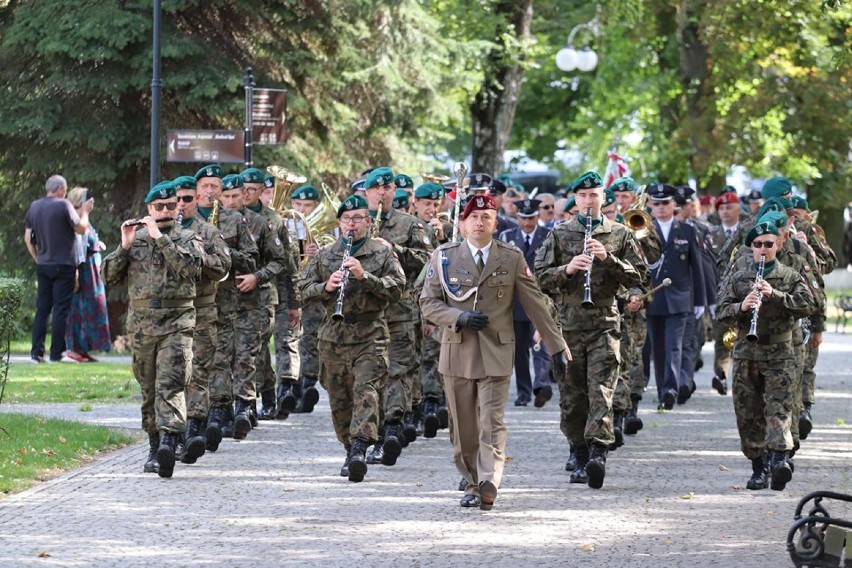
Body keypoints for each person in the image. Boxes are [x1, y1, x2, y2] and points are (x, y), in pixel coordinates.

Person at [421, 193, 569, 510]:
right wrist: (458, 317)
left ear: (495, 223)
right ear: (462, 224)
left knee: (492, 422)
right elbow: (428, 303)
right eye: (473, 217)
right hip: (457, 352)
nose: (479, 222)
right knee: (463, 431)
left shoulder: (510, 257)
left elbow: (536, 305)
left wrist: (557, 348)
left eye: (486, 217)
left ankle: (488, 481)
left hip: (495, 353)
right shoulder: (443, 257)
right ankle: (472, 481)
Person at [534, 171, 644, 490]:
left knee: (601, 390)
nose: (588, 201)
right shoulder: (560, 234)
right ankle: (578, 450)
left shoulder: (620, 234)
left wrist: (608, 259)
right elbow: (539, 276)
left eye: (593, 195)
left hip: (604, 324)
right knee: (572, 396)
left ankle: (597, 452)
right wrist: (567, 269)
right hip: (567, 325)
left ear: (602, 199)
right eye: (582, 196)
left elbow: (638, 278)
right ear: (576, 200)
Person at [102, 181, 204, 478]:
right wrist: (124, 244)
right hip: (143, 325)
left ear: (178, 207)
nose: (164, 211)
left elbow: (192, 269)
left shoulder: (187, 237)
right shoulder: (136, 240)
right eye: (158, 207)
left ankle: (170, 443)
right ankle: (154, 444)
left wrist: (161, 238)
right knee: (148, 388)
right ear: (148, 209)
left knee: (170, 384)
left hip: (177, 323)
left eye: (170, 206)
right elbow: (108, 276)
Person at [300, 194, 405, 482]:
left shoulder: (382, 254)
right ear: (339, 223)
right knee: (340, 399)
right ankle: (349, 446)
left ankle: (360, 448)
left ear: (368, 222)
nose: (352, 224)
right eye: (347, 219)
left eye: (358, 218)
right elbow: (303, 289)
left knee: (367, 392)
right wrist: (325, 287)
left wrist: (364, 277)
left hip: (371, 335)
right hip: (334, 337)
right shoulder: (325, 254)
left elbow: (397, 290)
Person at [716, 219, 815, 491]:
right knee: (748, 414)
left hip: (781, 353)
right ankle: (758, 467)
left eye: (768, 244)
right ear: (751, 247)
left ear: (778, 244)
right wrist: (741, 306)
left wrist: (776, 295)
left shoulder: (790, 277)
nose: (763, 249)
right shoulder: (739, 277)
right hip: (747, 352)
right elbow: (721, 311)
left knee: (778, 408)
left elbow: (807, 305)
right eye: (757, 245)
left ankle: (779, 460)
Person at [194, 165, 259, 451]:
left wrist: (224, 252)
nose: (210, 191)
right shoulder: (187, 218)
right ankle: (197, 412)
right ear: (197, 190)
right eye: (205, 186)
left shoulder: (236, 219)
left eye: (215, 186)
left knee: (222, 354)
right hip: (194, 299)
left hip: (225, 300)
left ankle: (219, 410)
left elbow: (251, 258)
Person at [173, 175, 231, 464]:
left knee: (197, 373)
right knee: (171, 375)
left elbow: (223, 266)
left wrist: (200, 256)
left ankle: (194, 429)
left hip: (202, 312)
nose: (180, 204)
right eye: (176, 200)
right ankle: (171, 432)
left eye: (186, 198)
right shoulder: (161, 231)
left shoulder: (208, 232)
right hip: (169, 315)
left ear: (195, 200)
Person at [644, 182, 706, 409]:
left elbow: (696, 268)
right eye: (656, 203)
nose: (660, 207)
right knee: (658, 348)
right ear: (650, 204)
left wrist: (700, 300)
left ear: (674, 205)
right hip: (653, 298)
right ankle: (663, 391)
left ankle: (670, 388)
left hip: (680, 298)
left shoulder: (687, 231)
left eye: (665, 203)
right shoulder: (643, 230)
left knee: (673, 345)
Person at [24, 174, 93, 363]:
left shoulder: (34, 206)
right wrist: (85, 212)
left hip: (43, 265)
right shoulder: (64, 205)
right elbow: (80, 229)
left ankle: (36, 353)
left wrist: (38, 259)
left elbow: (28, 239)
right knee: (61, 310)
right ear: (61, 189)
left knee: (42, 309)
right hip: (64, 265)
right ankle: (57, 353)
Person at [497, 198, 553, 407]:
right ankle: (524, 392)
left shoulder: (547, 236)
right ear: (517, 217)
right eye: (523, 218)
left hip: (540, 298)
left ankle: (541, 385)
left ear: (537, 217)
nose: (527, 222)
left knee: (541, 343)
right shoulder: (506, 237)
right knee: (519, 350)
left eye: (531, 218)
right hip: (515, 301)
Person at [63, 187, 111, 362]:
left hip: (92, 273)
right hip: (81, 270)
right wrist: (74, 272)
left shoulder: (85, 218)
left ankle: (84, 347)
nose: (93, 202)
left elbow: (88, 239)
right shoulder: (74, 217)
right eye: (89, 200)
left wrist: (99, 244)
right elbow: (74, 245)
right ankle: (72, 348)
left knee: (91, 310)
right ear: (81, 201)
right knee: (76, 310)